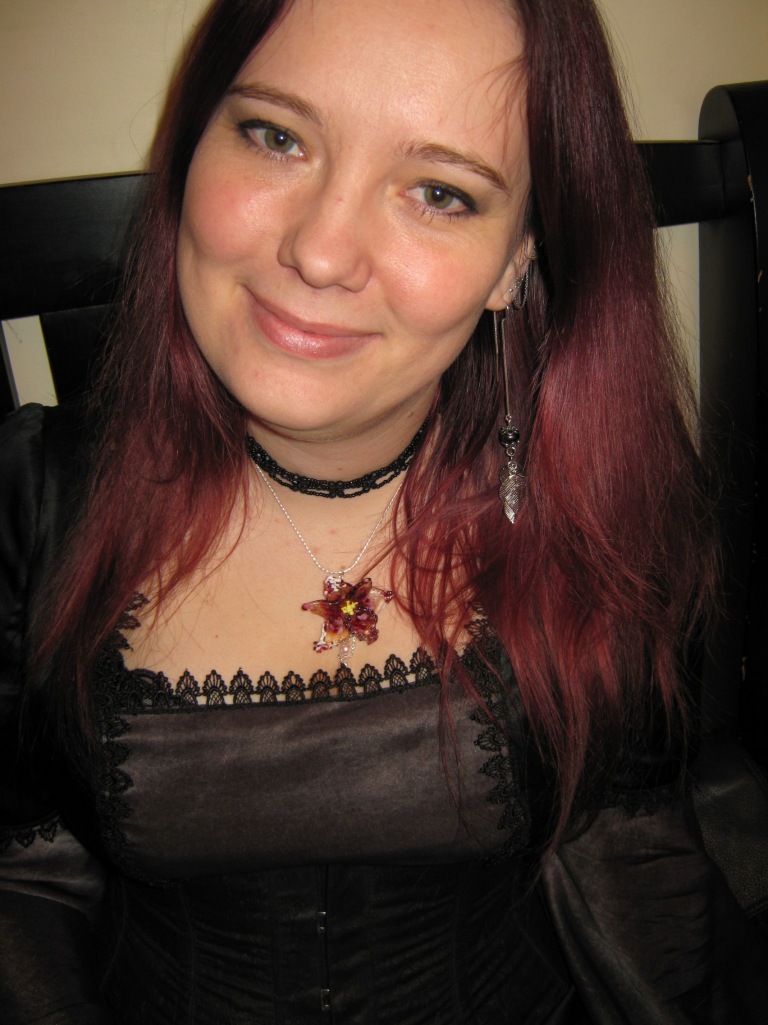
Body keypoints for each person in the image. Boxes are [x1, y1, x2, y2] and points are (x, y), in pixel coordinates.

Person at [1, 0, 766, 1021]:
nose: (322, 252)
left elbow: (636, 863)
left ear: (516, 262)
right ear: (190, 149)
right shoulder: (31, 501)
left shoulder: (600, 508)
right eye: (276, 136)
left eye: (440, 193)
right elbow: (23, 882)